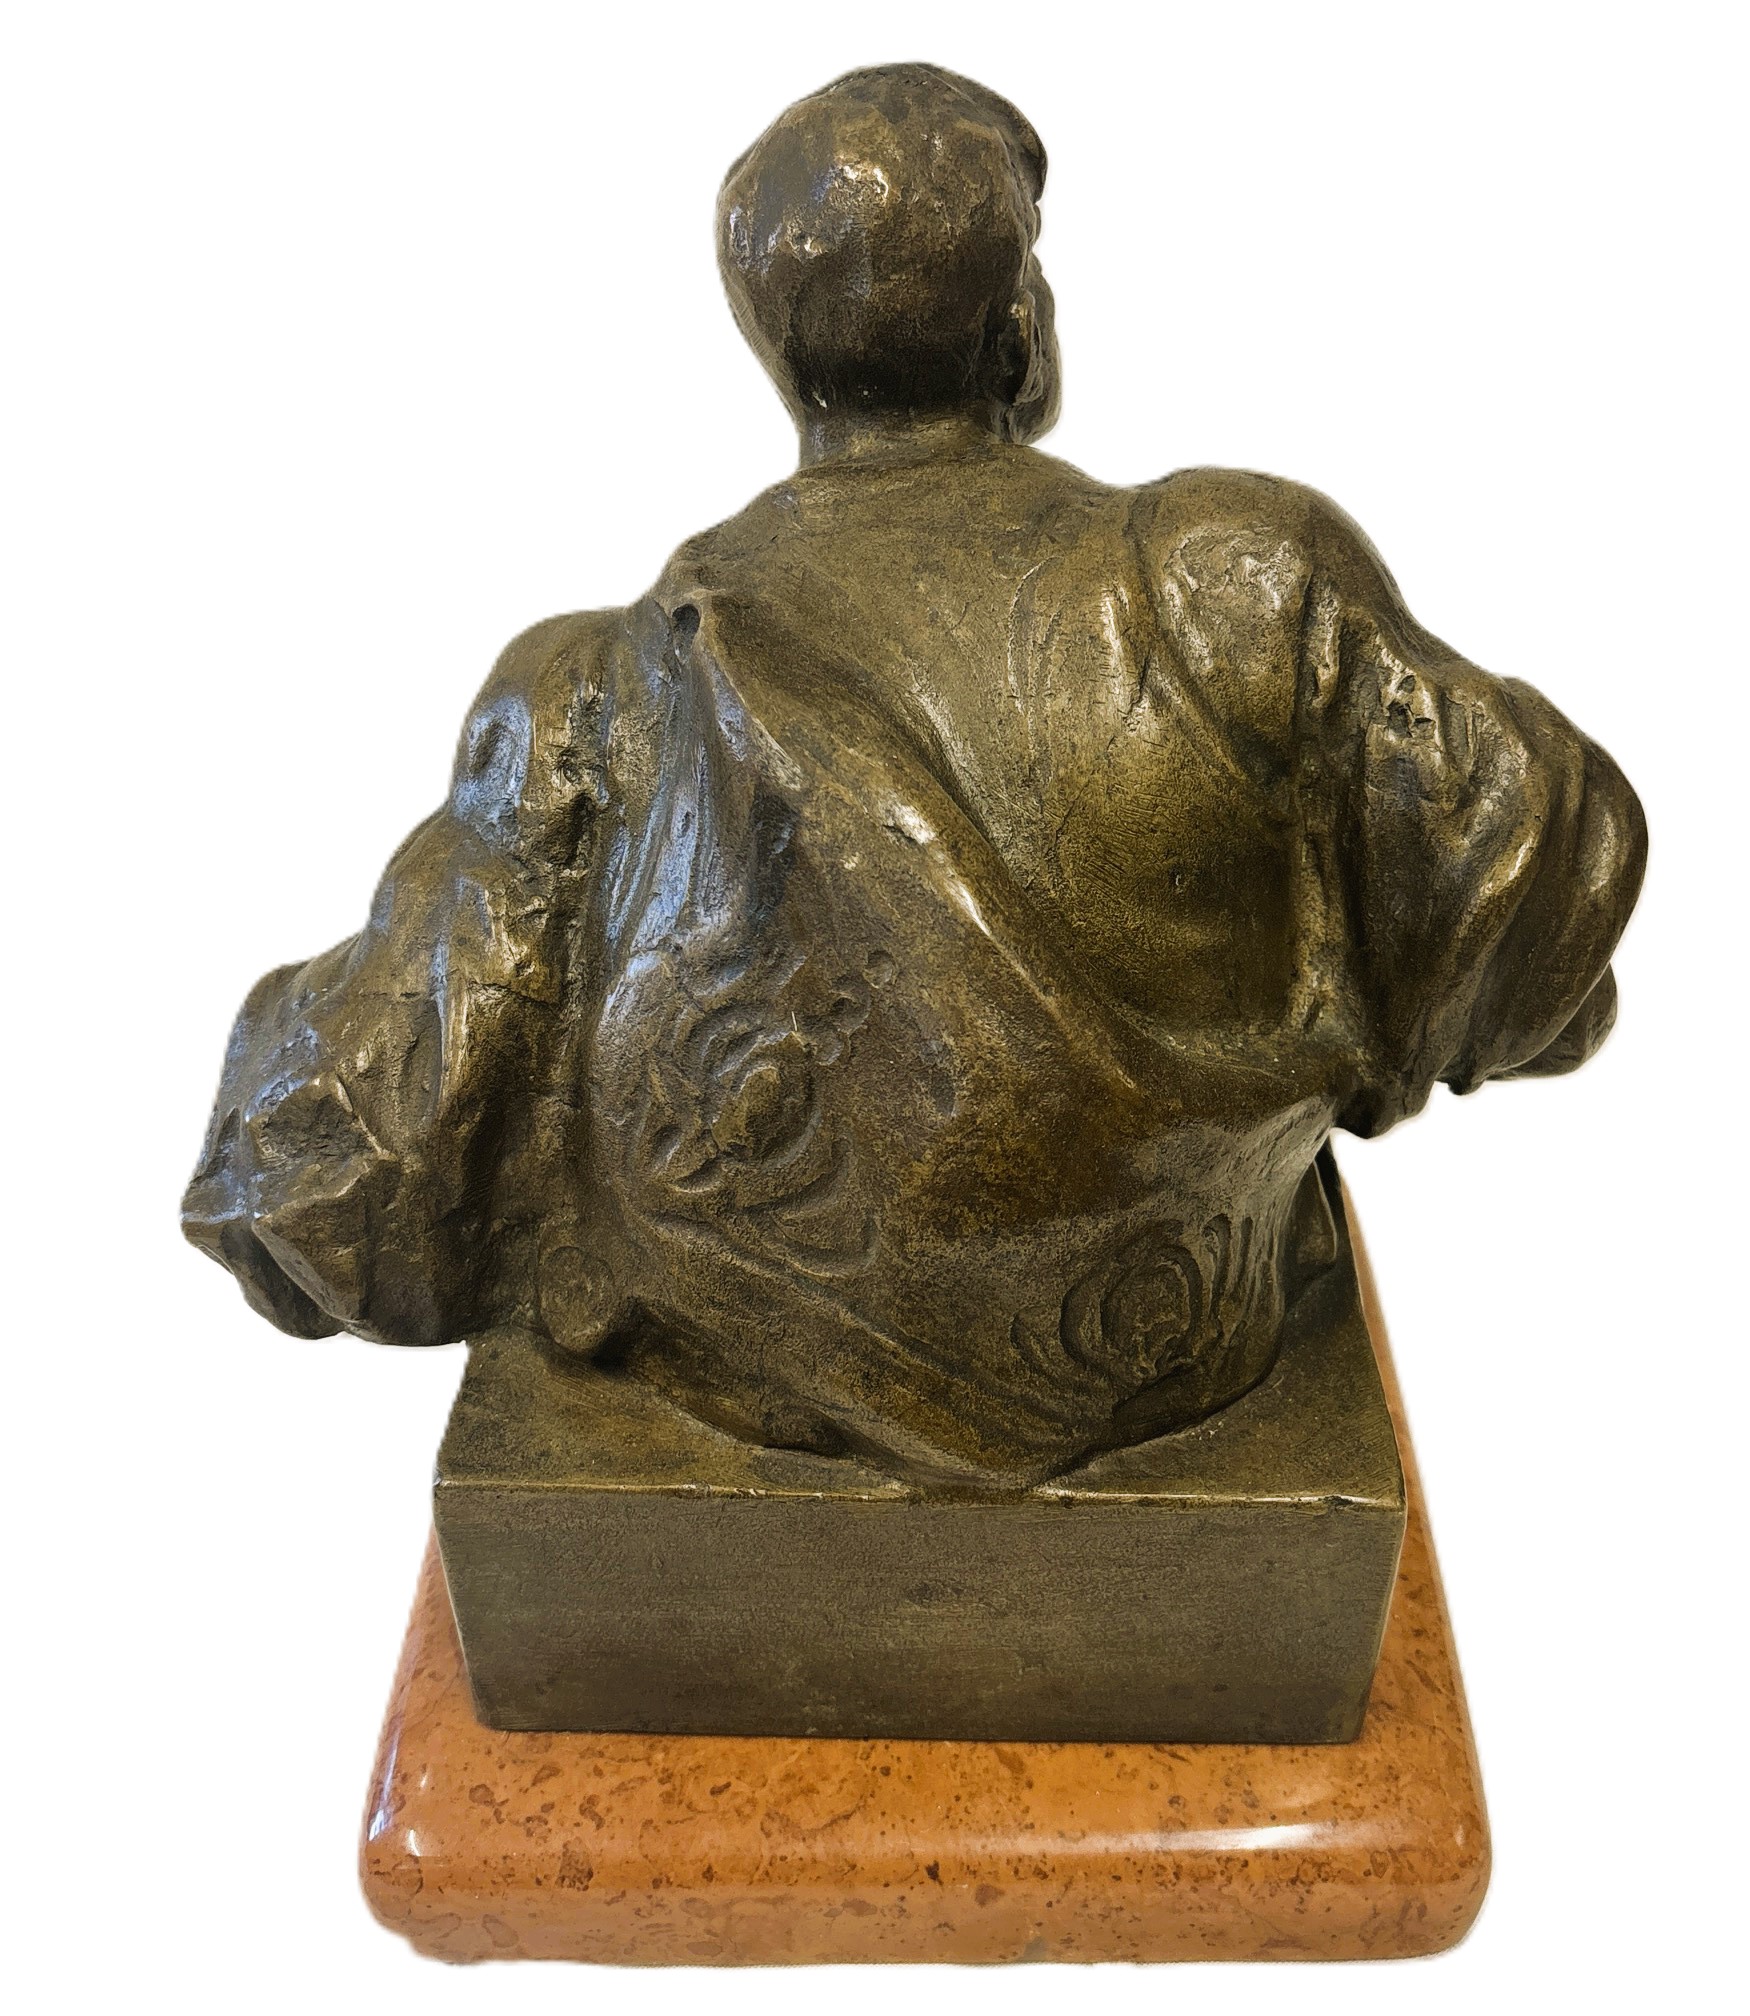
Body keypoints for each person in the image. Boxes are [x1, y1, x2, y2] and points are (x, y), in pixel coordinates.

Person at [185, 64, 1645, 1487]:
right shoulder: (1235, 581)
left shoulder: (587, 692)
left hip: (736, 1394)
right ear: (1021, 331)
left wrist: (270, 1043)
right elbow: (1544, 940)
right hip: (1186, 1347)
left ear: (779, 359)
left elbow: (352, 1161)